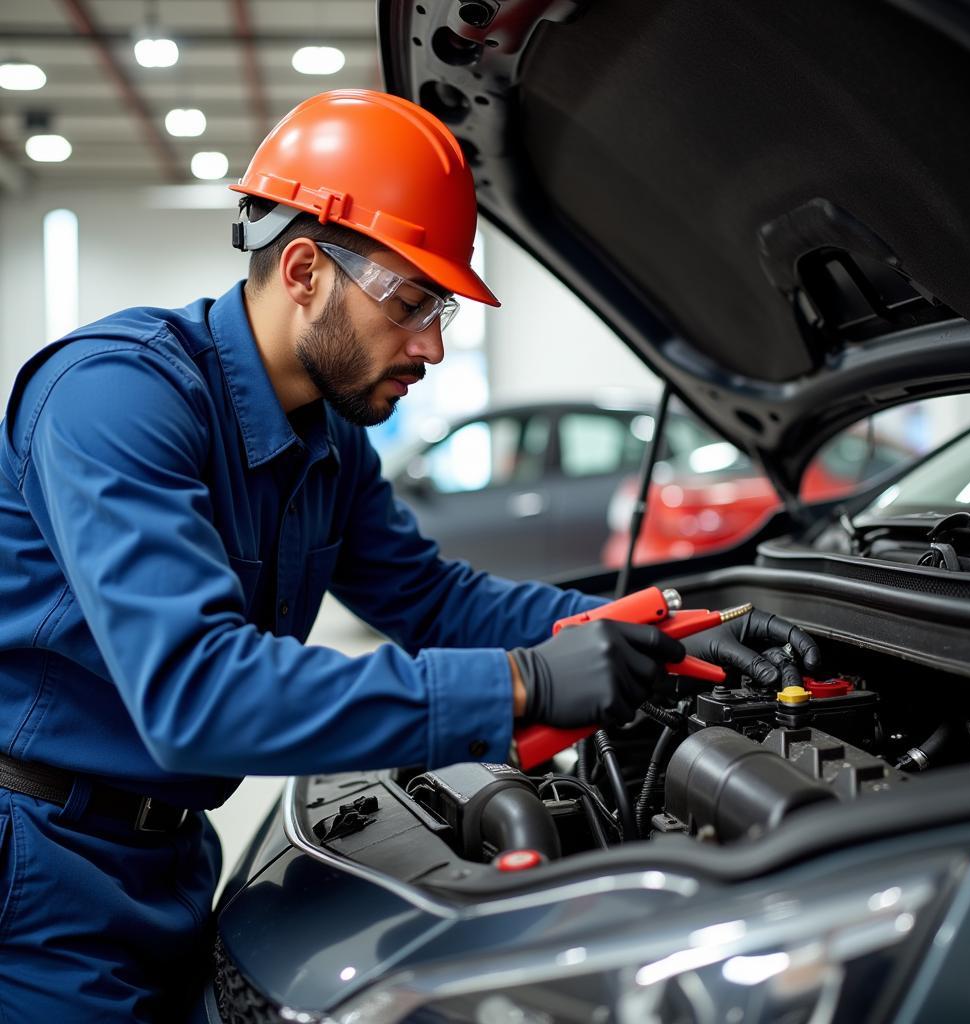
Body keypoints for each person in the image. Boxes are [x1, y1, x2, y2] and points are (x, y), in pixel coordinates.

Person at [0, 90, 819, 1021]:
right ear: (304, 267)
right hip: (39, 871)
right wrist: (519, 686)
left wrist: (663, 629)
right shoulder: (116, 400)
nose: (430, 344)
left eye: (444, 309)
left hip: (172, 860)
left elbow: (433, 598)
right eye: (413, 301)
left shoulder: (329, 440)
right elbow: (198, 694)